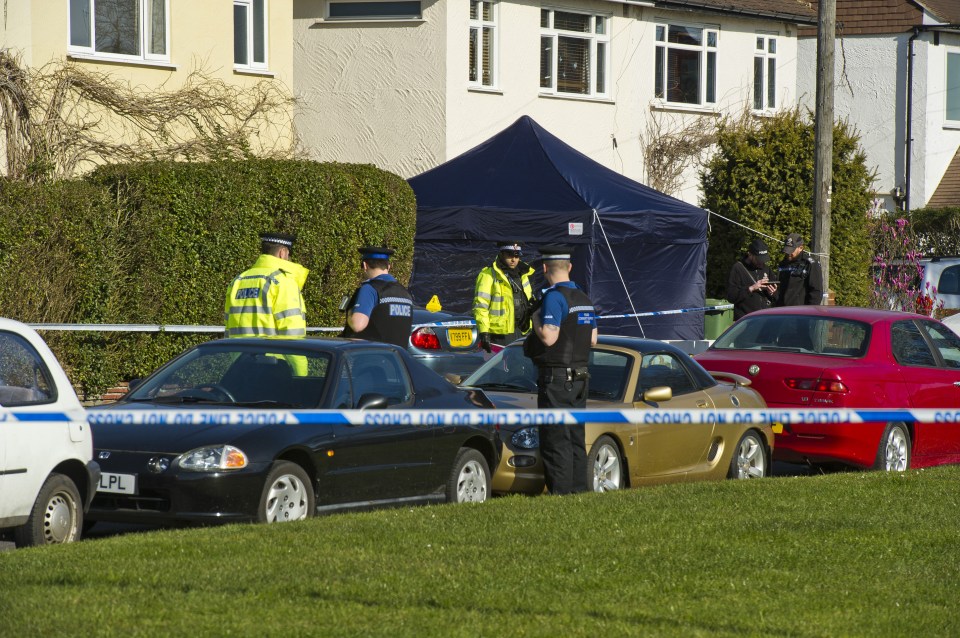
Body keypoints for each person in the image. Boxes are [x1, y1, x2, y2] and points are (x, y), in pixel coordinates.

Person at [523, 245, 597, 495]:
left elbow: (549, 338)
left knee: (556, 439)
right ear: (570, 267)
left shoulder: (554, 298)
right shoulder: (584, 299)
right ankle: (579, 491)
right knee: (576, 438)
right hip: (580, 378)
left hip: (557, 380)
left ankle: (561, 495)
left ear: (545, 269)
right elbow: (594, 339)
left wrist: (535, 317)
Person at [224, 232, 308, 338]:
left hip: (239, 353)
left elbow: (228, 326)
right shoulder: (283, 281)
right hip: (272, 354)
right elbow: (293, 331)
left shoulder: (238, 281)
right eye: (288, 254)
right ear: (282, 253)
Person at [341, 246, 413, 347]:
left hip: (370, 356)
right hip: (397, 358)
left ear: (365, 265)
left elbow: (358, 325)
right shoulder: (405, 293)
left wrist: (350, 314)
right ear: (388, 266)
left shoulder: (369, 289)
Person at [473, 241, 535, 352]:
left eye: (516, 256)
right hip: (500, 334)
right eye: (509, 255)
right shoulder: (488, 274)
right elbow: (481, 306)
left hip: (523, 330)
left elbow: (528, 301)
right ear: (502, 254)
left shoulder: (523, 273)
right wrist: (484, 332)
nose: (513, 259)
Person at [726, 238, 778, 320]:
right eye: (758, 259)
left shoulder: (766, 268)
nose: (761, 263)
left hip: (765, 318)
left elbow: (777, 296)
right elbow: (731, 296)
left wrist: (772, 293)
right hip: (746, 320)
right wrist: (752, 288)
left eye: (763, 259)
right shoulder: (738, 268)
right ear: (750, 254)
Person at [776, 233, 824, 306]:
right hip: (783, 312)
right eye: (787, 250)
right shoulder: (783, 264)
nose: (788, 253)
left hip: (800, 312)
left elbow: (816, 292)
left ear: (800, 248)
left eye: (791, 250)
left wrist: (809, 313)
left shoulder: (810, 264)